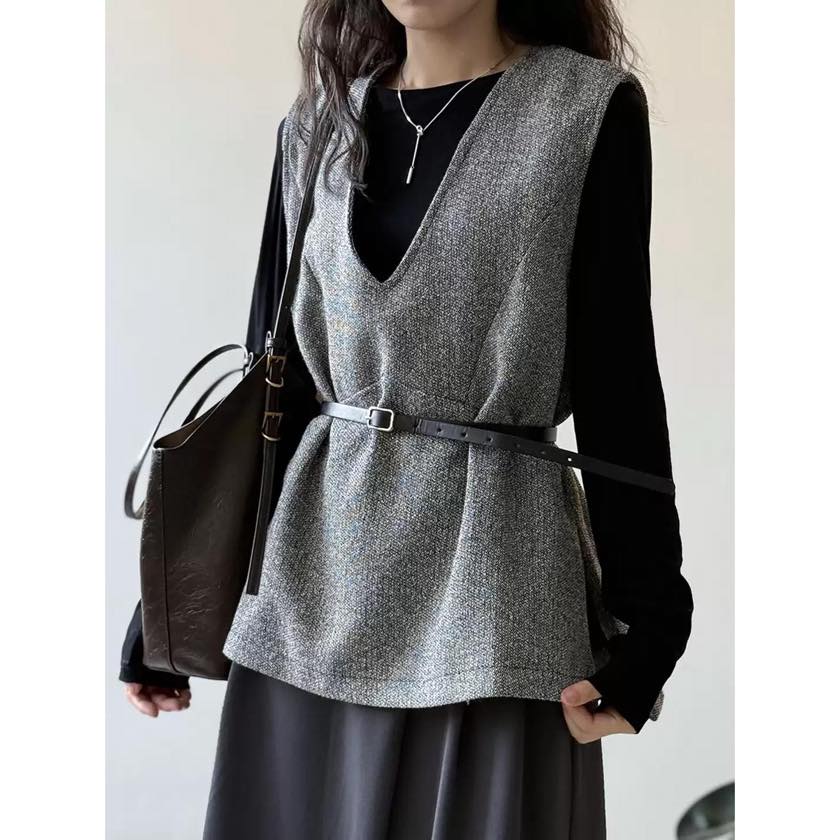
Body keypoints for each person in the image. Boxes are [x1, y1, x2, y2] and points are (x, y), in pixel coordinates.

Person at [121, 1, 694, 836]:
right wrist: (168, 602)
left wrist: (655, 619)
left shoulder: (585, 108)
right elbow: (273, 388)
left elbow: (620, 376)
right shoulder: (315, 127)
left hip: (496, 596)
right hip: (310, 593)